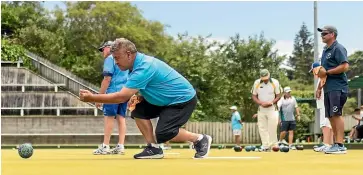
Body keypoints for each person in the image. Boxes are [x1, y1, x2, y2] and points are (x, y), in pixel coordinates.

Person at [79, 38, 212, 159]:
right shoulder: (135, 66)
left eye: (117, 57)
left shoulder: (144, 67)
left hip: (181, 100)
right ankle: (153, 149)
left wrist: (92, 97)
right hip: (163, 100)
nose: (116, 62)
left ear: (129, 54)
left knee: (164, 133)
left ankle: (200, 139)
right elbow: (148, 87)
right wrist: (138, 97)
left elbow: (121, 97)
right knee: (137, 108)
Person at [316, 25, 349, 154]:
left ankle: (340, 145)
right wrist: (319, 87)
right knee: (330, 116)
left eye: (324, 33)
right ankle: (335, 144)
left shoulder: (338, 48)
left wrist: (328, 72)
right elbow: (322, 72)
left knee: (336, 114)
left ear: (332, 35)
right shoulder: (325, 50)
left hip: (338, 86)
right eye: (321, 34)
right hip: (328, 88)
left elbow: (345, 66)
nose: (322, 36)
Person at [93, 41, 129, 155]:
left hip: (112, 93)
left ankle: (105, 145)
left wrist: (100, 97)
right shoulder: (123, 58)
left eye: (103, 49)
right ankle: (121, 145)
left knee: (109, 117)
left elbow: (107, 79)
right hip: (124, 92)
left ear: (109, 48)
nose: (102, 52)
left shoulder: (110, 58)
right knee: (121, 118)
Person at [251, 69, 281, 151]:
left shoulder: (275, 82)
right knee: (262, 127)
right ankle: (265, 146)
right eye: (263, 78)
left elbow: (278, 95)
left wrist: (271, 103)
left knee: (272, 127)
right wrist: (260, 103)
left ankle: (274, 145)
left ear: (269, 75)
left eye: (266, 78)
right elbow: (254, 96)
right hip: (261, 109)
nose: (265, 80)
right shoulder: (257, 83)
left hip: (272, 108)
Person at [310, 62, 334, 152]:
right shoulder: (322, 79)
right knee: (329, 124)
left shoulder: (323, 78)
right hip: (325, 105)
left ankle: (326, 144)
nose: (313, 73)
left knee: (325, 124)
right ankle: (330, 144)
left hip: (325, 105)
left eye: (313, 71)